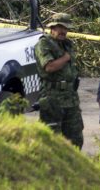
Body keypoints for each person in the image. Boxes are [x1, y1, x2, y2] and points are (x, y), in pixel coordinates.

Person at [35, 13, 83, 148]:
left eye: (66, 28)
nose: (63, 31)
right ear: (52, 28)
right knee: (52, 140)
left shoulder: (67, 44)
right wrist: (66, 58)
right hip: (52, 99)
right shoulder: (43, 44)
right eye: (60, 27)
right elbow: (49, 67)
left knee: (76, 138)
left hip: (70, 98)